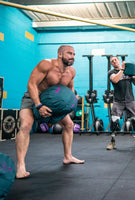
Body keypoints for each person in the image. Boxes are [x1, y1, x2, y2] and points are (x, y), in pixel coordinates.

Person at [16, 45, 84, 179]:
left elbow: (69, 89)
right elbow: (31, 84)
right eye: (69, 53)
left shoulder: (71, 71)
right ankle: (21, 166)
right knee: (25, 126)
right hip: (34, 98)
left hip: (53, 102)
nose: (72, 57)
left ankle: (68, 156)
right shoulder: (46, 65)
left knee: (69, 125)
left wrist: (72, 100)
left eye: (74, 54)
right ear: (60, 54)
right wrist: (38, 105)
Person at [106, 56, 135, 150]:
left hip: (130, 100)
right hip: (118, 101)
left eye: (115, 60)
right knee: (114, 121)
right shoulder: (111, 72)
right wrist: (123, 69)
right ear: (112, 64)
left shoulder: (129, 71)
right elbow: (115, 80)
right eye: (112, 61)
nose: (114, 61)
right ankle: (112, 141)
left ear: (119, 61)